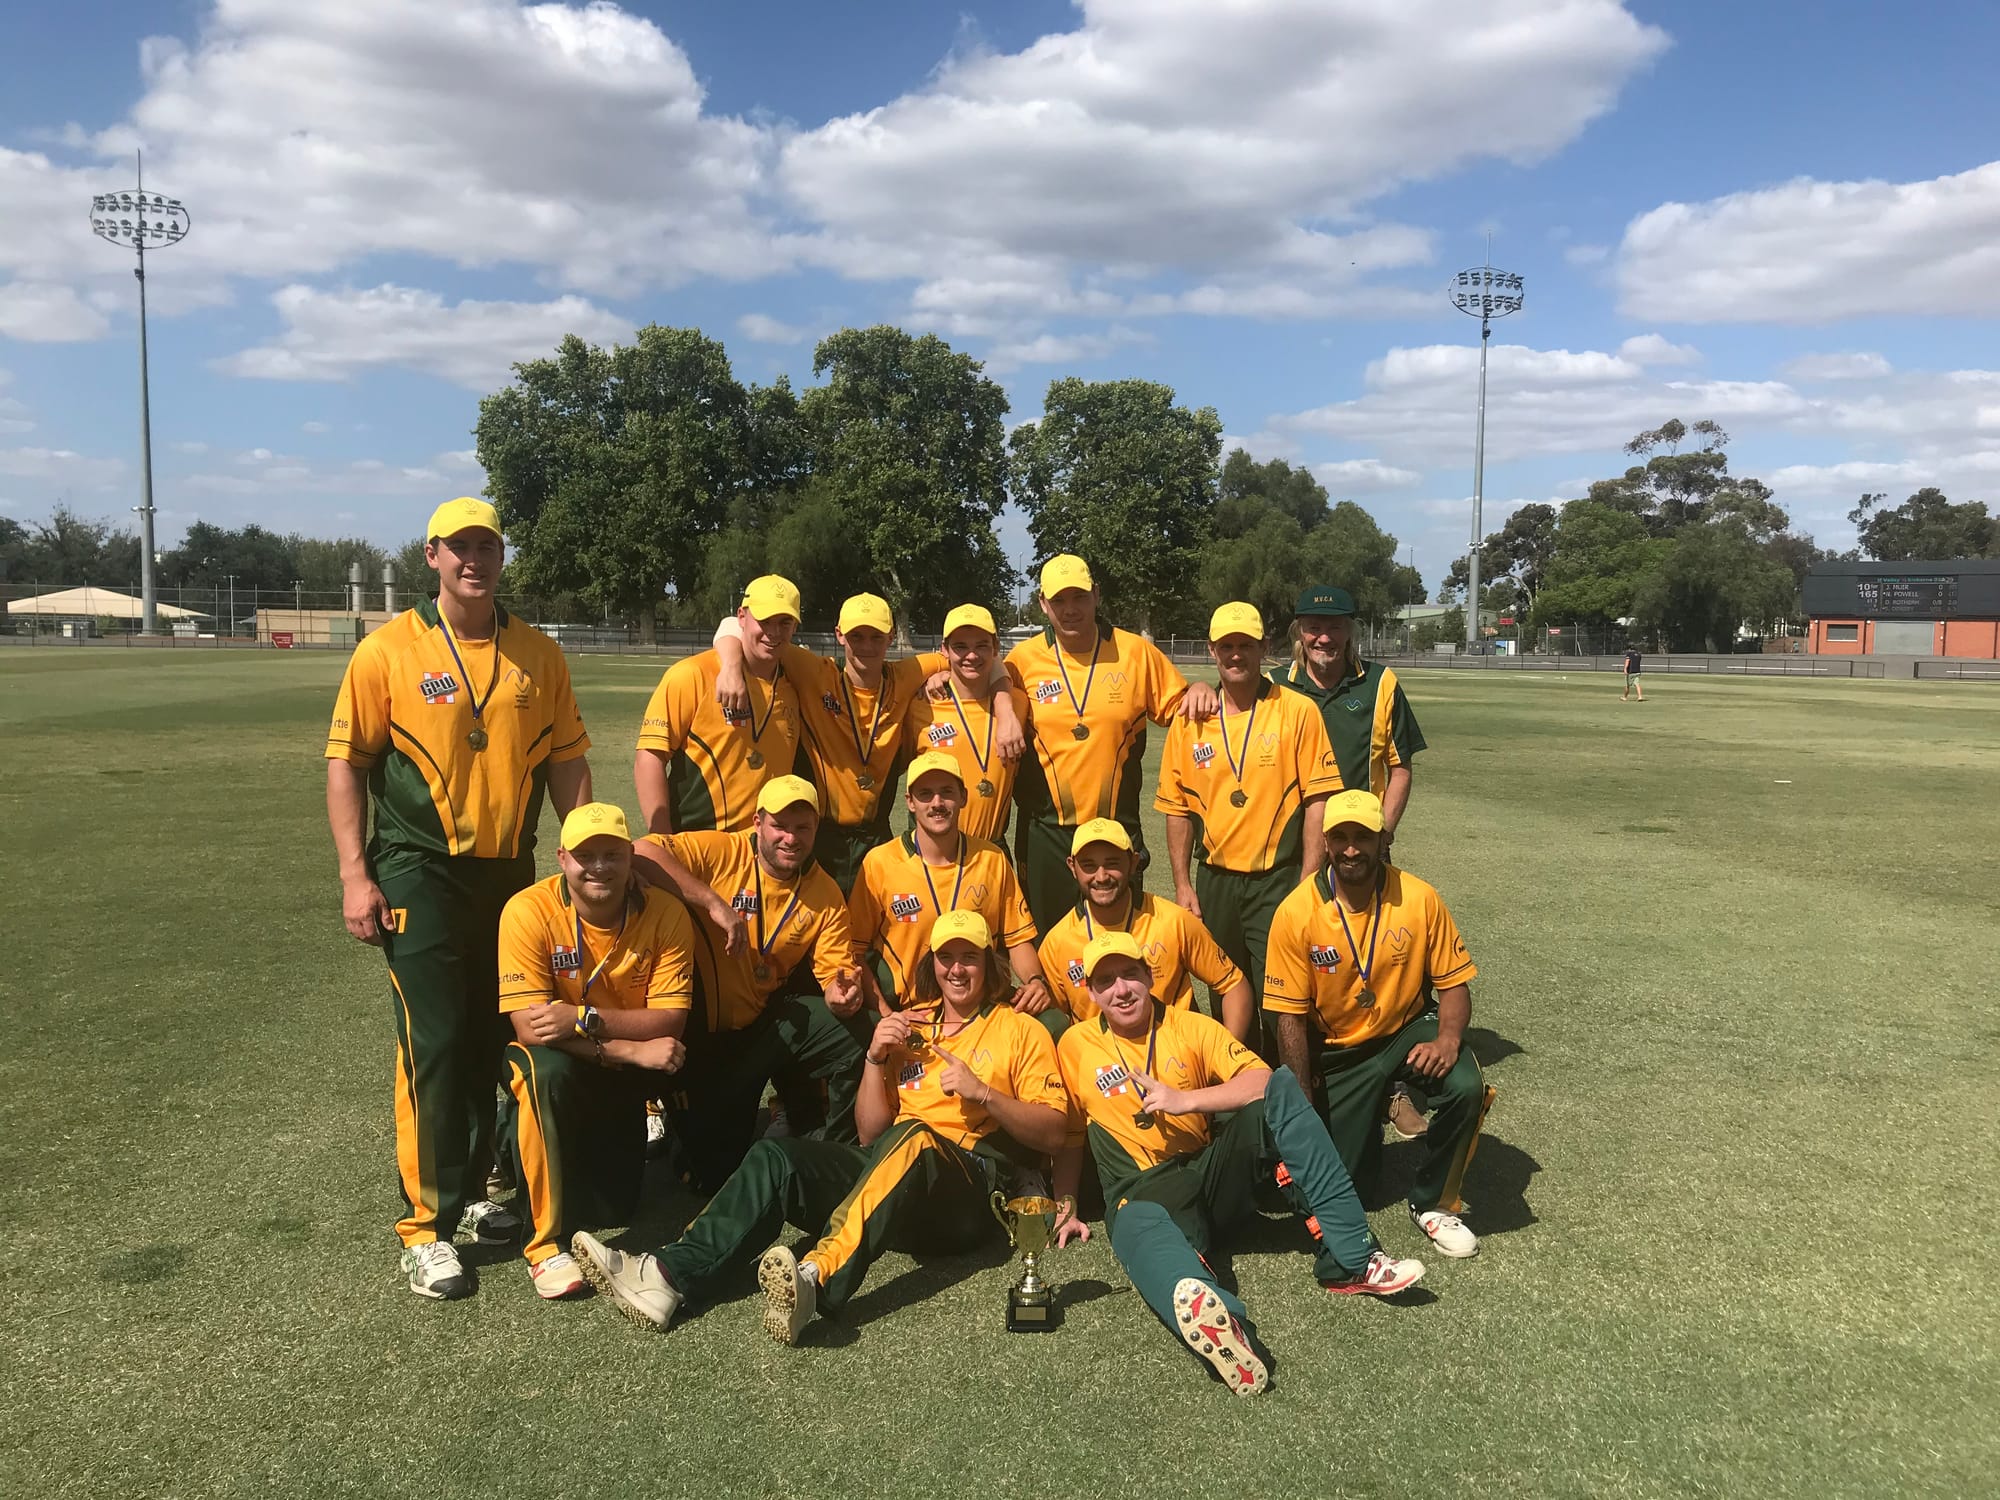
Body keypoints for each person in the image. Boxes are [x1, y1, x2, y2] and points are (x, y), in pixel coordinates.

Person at [325, 496, 593, 1301]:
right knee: (434, 1041)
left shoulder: (538, 656)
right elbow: (348, 763)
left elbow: (568, 762)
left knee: (491, 1035)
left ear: (502, 556)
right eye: (459, 547)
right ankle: (425, 1227)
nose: (475, 560)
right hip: (417, 867)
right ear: (433, 555)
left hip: (510, 869)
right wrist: (353, 873)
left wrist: (578, 854)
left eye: (488, 546)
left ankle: (478, 1193)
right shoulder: (386, 652)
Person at [570, 912, 1069, 1343]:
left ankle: (818, 1277)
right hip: (890, 1176)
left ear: (989, 963)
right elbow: (871, 1135)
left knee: (914, 1138)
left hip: (969, 1191)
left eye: (970, 958)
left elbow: (1051, 1133)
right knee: (779, 1157)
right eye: (946, 957)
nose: (956, 969)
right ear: (931, 963)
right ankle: (666, 1275)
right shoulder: (914, 1026)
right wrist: (875, 1058)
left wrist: (983, 1093)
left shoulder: (1018, 1028)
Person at [1052, 934, 1425, 1396]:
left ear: (1149, 975)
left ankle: (1353, 1259)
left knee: (1283, 1090)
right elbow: (1070, 1134)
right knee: (1143, 1234)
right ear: (1090, 992)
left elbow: (1262, 1081)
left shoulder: (1192, 1026)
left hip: (1206, 1172)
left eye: (1130, 974)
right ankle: (1223, 1325)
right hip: (1140, 1191)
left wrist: (1183, 1100)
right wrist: (1065, 1201)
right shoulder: (1074, 1045)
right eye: (1105, 981)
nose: (1121, 989)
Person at [1264, 791, 1493, 1261]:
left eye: (1363, 837)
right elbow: (1287, 1016)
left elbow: (1454, 984)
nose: (1352, 849)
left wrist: (1448, 1038)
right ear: (1326, 842)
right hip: (1339, 1049)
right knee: (1348, 1188)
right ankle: (1366, 1115)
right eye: (1341, 837)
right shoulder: (1296, 912)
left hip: (1406, 1029)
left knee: (1466, 1083)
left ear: (1383, 838)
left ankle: (1435, 1203)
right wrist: (1304, 1097)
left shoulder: (1420, 898)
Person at [497, 803, 695, 1298]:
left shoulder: (665, 913)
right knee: (540, 1070)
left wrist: (584, 1019)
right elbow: (530, 1028)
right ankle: (544, 1247)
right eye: (586, 856)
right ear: (562, 858)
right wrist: (627, 1050)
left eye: (612, 853)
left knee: (615, 1208)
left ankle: (506, 1146)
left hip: (609, 1067)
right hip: (560, 1061)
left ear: (630, 856)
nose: (599, 867)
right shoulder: (528, 910)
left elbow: (670, 1021)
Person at [631, 776, 866, 1192]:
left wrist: (839, 994)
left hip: (757, 1029)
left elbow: (836, 973)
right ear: (758, 822)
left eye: (802, 827)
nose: (790, 838)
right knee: (708, 1175)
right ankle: (668, 1108)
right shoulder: (726, 850)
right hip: (696, 1032)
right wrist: (712, 903)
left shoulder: (825, 893)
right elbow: (640, 851)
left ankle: (833, 1145)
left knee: (851, 1030)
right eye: (780, 825)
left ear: (816, 829)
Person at [714, 592, 1023, 895]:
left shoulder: (907, 674)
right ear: (839, 635)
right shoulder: (815, 672)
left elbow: (985, 658)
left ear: (891, 636)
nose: (867, 646)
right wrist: (730, 666)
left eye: (876, 636)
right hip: (822, 837)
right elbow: (733, 624)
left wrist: (1004, 706)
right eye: (857, 636)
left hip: (876, 838)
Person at [1276, 585, 1429, 1138]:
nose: (1324, 637)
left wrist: (1382, 834)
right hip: (1289, 854)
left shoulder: (1381, 683)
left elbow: (1402, 764)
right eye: (1313, 626)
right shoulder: (1275, 686)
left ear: (1350, 630)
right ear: (1299, 630)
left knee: (1375, 965)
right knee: (1302, 977)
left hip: (1356, 852)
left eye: (1335, 626)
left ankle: (1390, 1084)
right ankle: (1296, 1085)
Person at [1157, 602, 1340, 1047]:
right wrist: (1183, 884)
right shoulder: (1191, 720)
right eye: (1226, 646)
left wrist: (1308, 879)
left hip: (1276, 880)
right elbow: (1176, 807)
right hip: (1215, 880)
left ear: (1264, 647)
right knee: (1226, 995)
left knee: (1283, 999)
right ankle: (1238, 1099)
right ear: (1211, 650)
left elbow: (1318, 800)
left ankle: (1292, 1098)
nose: (1235, 654)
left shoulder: (1296, 711)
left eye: (1245, 645)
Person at [1005, 554, 1217, 936]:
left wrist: (1200, 687)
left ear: (1096, 595)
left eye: (1079, 598)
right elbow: (981, 685)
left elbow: (1181, 709)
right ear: (1042, 603)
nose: (1070, 610)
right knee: (1051, 950)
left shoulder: (1135, 652)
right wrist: (938, 673)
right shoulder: (1021, 661)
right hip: (1047, 835)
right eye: (1059, 601)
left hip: (1116, 832)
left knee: (1121, 951)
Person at [846, 750, 1050, 1019]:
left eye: (947, 792)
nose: (937, 803)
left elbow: (1018, 939)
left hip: (983, 1010)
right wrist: (886, 1014)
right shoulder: (880, 863)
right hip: (911, 1012)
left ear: (963, 796)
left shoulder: (992, 859)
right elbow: (855, 951)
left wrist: (1036, 981)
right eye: (925, 794)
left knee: (1053, 1022)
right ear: (909, 801)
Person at [1037, 819, 1254, 1043]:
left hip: (1176, 1057)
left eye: (1112, 863)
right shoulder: (1057, 942)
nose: (1101, 877)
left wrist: (1223, 1055)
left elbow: (1234, 985)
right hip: (1103, 1070)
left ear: (1132, 863)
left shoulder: (1173, 921)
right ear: (1072, 867)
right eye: (1089, 865)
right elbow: (1049, 1018)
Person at [635, 574, 804, 836]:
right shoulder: (692, 674)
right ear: (742, 617)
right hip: (696, 842)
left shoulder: (796, 684)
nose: (774, 632)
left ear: (794, 627)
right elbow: (650, 756)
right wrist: (662, 837)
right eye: (765, 620)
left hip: (764, 851)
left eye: (785, 622)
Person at [903, 603, 1029, 845]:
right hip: (933, 851)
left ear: (995, 648)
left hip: (992, 851)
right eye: (960, 646)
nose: (971, 656)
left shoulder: (1019, 705)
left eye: (981, 645)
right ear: (945, 650)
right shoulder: (921, 706)